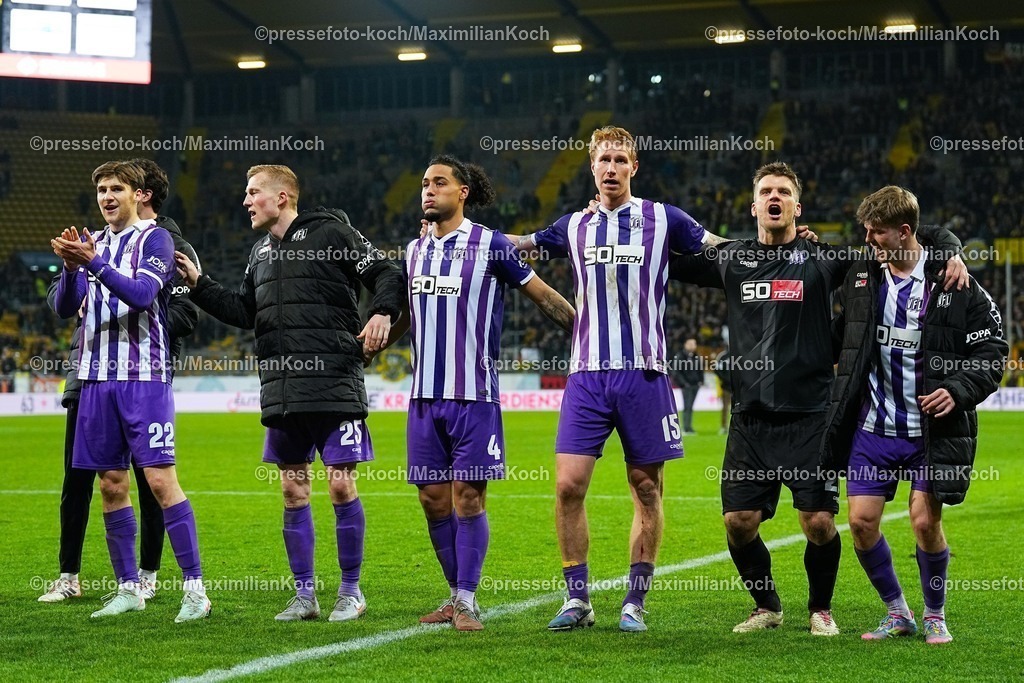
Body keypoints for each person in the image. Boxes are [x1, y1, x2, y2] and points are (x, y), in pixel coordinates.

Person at [669, 162, 966, 636]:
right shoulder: (731, 258)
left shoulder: (825, 259)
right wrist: (617, 219)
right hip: (750, 419)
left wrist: (951, 249)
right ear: (754, 207)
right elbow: (664, 257)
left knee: (820, 524)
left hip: (811, 417)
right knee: (739, 522)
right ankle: (766, 606)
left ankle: (820, 609)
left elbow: (897, 234)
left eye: (784, 192)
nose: (775, 197)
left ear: (797, 206)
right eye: (766, 191)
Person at [511, 126, 727, 632]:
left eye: (620, 160)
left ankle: (635, 601)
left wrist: (781, 243)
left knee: (646, 488)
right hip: (586, 375)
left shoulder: (664, 219)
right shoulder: (572, 226)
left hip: (644, 373)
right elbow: (518, 244)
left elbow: (721, 248)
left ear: (634, 167)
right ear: (592, 167)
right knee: (568, 487)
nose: (611, 168)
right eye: (604, 160)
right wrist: (455, 234)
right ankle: (577, 599)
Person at [175, 164, 403, 622]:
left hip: (334, 381)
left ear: (281, 197)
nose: (246, 201)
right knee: (293, 490)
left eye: (253, 192)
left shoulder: (332, 233)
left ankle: (351, 592)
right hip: (282, 389)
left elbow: (387, 272)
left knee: (340, 485)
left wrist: (381, 312)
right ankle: (305, 596)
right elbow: (244, 311)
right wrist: (200, 286)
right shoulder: (259, 253)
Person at [376, 155, 574, 631]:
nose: (428, 190)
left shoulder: (490, 245)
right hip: (424, 398)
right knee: (432, 499)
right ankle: (454, 595)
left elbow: (543, 295)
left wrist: (585, 332)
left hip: (474, 396)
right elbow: (410, 316)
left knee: (467, 497)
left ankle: (467, 600)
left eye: (439, 182)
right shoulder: (413, 251)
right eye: (424, 183)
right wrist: (376, 342)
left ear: (462, 192)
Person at [821, 186, 1006, 644]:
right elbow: (840, 335)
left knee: (925, 523)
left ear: (905, 232)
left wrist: (957, 390)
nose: (868, 240)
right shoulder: (865, 277)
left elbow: (992, 352)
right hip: (873, 426)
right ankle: (897, 612)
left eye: (877, 232)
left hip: (930, 431)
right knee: (861, 523)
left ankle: (935, 614)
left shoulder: (955, 283)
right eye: (866, 231)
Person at [50, 160, 210, 622]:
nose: (107, 196)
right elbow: (64, 307)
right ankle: (127, 589)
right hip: (95, 378)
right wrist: (70, 267)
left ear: (139, 194)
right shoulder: (92, 243)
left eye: (116, 188)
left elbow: (142, 295)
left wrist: (92, 263)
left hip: (144, 378)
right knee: (111, 484)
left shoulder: (156, 239)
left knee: (160, 481)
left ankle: (195, 590)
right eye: (101, 189)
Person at [678, 338, 703, 435]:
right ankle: (686, 427)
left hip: (695, 385)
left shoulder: (696, 356)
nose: (693, 346)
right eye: (690, 343)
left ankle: (689, 427)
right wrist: (684, 383)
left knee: (690, 406)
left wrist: (701, 381)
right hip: (686, 385)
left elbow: (700, 370)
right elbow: (676, 372)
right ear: (685, 344)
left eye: (694, 343)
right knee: (687, 406)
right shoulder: (680, 356)